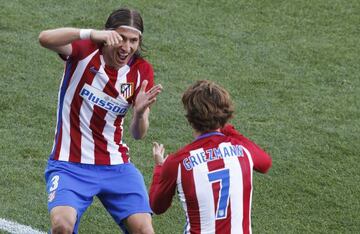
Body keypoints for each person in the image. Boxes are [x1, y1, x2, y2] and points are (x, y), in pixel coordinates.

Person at [38, 7, 162, 234]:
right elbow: (44, 38)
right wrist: (90, 34)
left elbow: (138, 134)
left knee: (144, 230)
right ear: (109, 34)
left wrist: (141, 113)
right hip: (69, 164)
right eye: (121, 38)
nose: (127, 47)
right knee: (62, 226)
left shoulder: (141, 71)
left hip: (116, 165)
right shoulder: (85, 50)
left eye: (133, 40)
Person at [149, 80, 272, 234]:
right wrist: (223, 126)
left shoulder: (177, 162)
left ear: (190, 118)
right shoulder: (243, 149)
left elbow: (156, 206)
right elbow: (265, 163)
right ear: (225, 114)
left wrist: (160, 167)